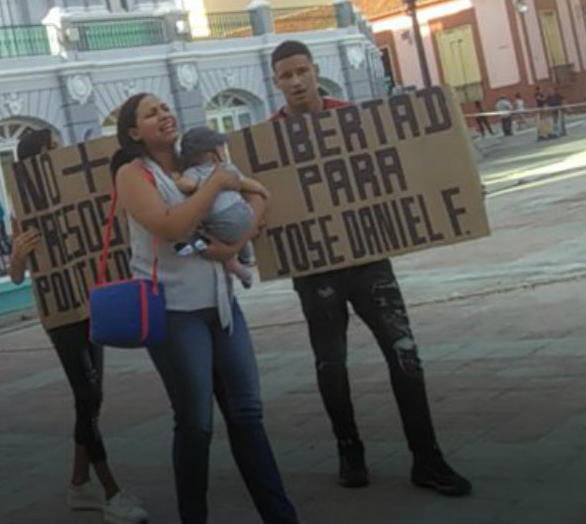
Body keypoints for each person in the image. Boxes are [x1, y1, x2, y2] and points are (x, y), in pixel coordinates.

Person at [269, 40, 471, 496]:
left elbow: (403, 165)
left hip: (368, 261)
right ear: (276, 81)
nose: (297, 81)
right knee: (331, 364)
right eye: (286, 75)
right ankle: (349, 450)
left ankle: (427, 457)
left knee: (404, 354)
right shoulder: (267, 139)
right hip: (315, 269)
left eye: (302, 71)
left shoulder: (353, 119)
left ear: (315, 70)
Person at [112, 93, 298, 524]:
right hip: (175, 315)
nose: (164, 114)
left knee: (248, 413)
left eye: (165, 107)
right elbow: (172, 225)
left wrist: (235, 238)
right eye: (151, 112)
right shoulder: (132, 174)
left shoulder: (197, 162)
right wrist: (216, 184)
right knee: (196, 423)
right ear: (134, 131)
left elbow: (255, 197)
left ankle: (282, 516)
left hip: (223, 307)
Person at [7, 128, 148, 524]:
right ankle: (111, 491)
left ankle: (78, 480)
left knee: (93, 395)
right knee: (86, 395)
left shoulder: (84, 191)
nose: (60, 152)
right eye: (51, 148)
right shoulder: (24, 211)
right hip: (62, 315)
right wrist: (19, 255)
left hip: (93, 305)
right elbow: (17, 276)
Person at [173, 126, 270, 289]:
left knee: (203, 231)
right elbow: (246, 182)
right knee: (240, 226)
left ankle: (230, 261)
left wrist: (176, 180)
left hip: (220, 222)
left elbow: (187, 185)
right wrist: (262, 189)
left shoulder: (193, 172)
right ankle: (246, 256)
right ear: (212, 152)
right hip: (244, 214)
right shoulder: (227, 168)